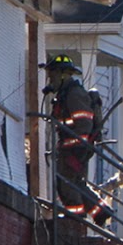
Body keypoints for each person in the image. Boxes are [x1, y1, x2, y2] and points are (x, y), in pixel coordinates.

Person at [43, 54, 109, 224]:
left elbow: (84, 124)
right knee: (74, 183)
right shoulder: (65, 95)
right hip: (71, 148)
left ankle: (75, 219)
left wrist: (76, 148)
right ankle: (99, 211)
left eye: (53, 75)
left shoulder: (74, 95)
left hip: (76, 149)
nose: (51, 79)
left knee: (67, 184)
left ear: (64, 74)